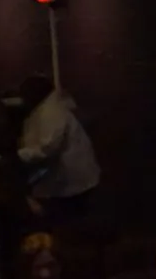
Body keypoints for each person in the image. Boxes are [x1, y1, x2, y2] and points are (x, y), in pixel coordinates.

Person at [14, 74, 99, 226]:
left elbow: (47, 148)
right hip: (73, 176)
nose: (23, 100)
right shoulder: (50, 107)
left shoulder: (51, 112)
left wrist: (18, 155)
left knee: (69, 221)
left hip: (71, 178)